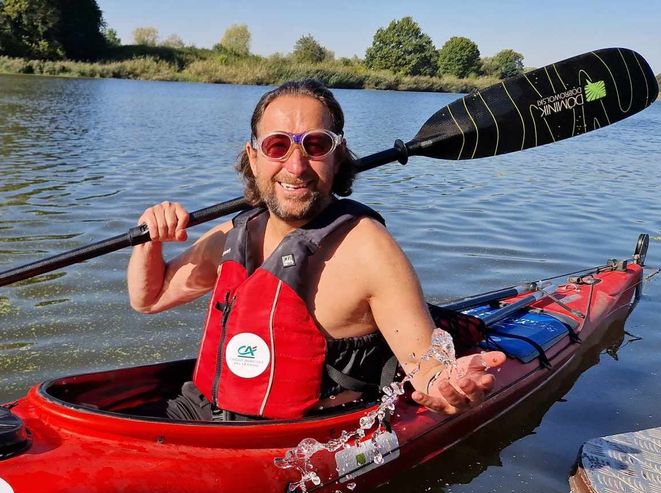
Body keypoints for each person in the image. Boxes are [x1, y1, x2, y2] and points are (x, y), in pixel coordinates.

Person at [127, 79, 505, 421]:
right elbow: (149, 299)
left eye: (316, 145)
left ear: (338, 155)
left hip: (294, 439)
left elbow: (427, 368)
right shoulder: (234, 234)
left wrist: (449, 385)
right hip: (196, 410)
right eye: (277, 146)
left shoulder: (369, 251)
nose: (296, 166)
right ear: (253, 156)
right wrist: (150, 239)